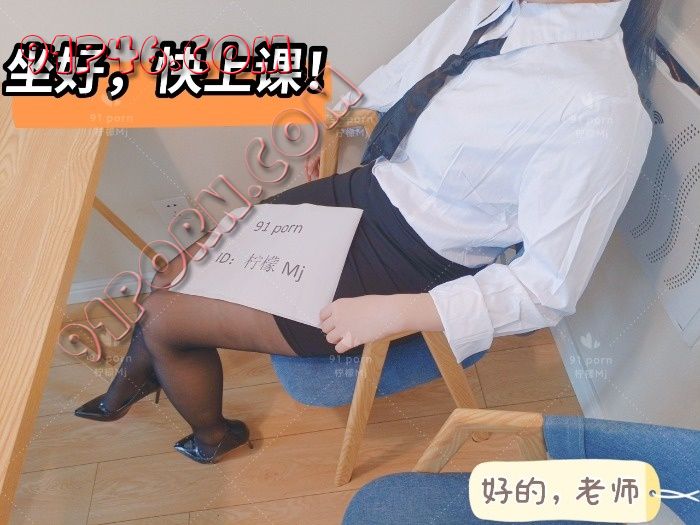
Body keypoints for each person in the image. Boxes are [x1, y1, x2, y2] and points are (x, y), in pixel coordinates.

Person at [75, 0, 662, 463]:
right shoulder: (499, 7)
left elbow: (548, 287)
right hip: (368, 190)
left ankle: (213, 435)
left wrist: (402, 311)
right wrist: (335, 118)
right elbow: (414, 69)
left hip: (413, 261)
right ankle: (141, 374)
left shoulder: (601, 108)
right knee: (174, 270)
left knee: (162, 316)